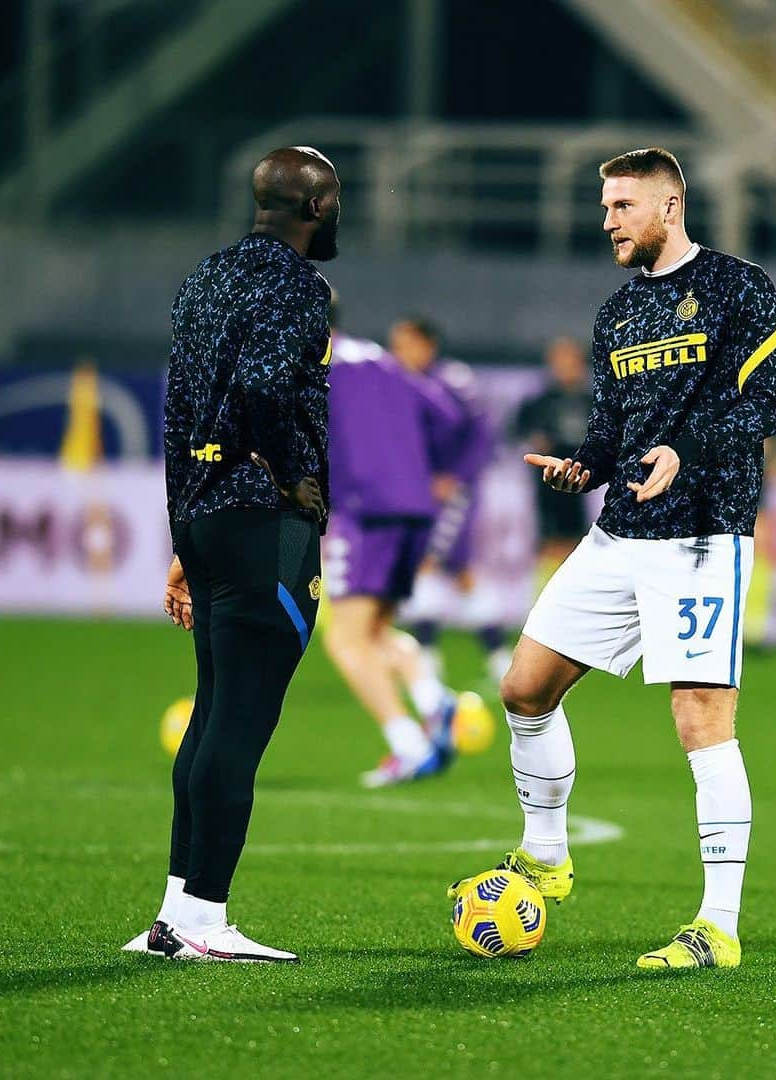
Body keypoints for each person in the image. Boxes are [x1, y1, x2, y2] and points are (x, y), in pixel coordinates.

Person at [448, 147, 776, 971]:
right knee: (524, 687)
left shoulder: (741, 289)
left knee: (700, 723)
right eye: (605, 207)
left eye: (622, 206)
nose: (607, 221)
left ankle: (717, 925)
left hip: (703, 539)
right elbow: (609, 432)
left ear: (669, 208)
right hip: (619, 534)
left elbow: (764, 403)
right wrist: (583, 466)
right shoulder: (617, 317)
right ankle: (548, 854)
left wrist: (689, 449)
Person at [123, 146, 340, 964]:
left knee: (212, 712)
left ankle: (174, 914)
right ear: (318, 206)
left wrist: (185, 529)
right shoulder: (297, 286)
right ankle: (206, 918)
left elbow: (180, 409)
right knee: (240, 723)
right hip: (262, 528)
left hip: (206, 516)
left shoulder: (204, 278)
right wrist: (295, 481)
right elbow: (261, 385)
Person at [322, 325, 467, 787]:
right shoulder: (384, 360)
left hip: (366, 512)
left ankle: (410, 745)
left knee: (344, 638)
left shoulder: (316, 363)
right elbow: (450, 416)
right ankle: (433, 700)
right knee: (375, 630)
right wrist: (434, 471)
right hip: (414, 509)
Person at [388, 317, 510, 683]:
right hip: (417, 493)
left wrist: (456, 475)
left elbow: (482, 433)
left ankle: (429, 662)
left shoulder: (453, 381)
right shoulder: (401, 381)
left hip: (451, 494)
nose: (398, 352)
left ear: (427, 344)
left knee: (432, 563)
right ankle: (496, 659)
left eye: (404, 343)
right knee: (455, 570)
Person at [514, 337, 593, 576]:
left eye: (570, 361)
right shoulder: (539, 403)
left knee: (578, 541)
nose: (565, 367)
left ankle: (577, 590)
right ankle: (544, 593)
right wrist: (534, 441)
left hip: (585, 484)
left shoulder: (591, 402)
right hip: (548, 484)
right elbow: (517, 434)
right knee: (549, 542)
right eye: (559, 361)